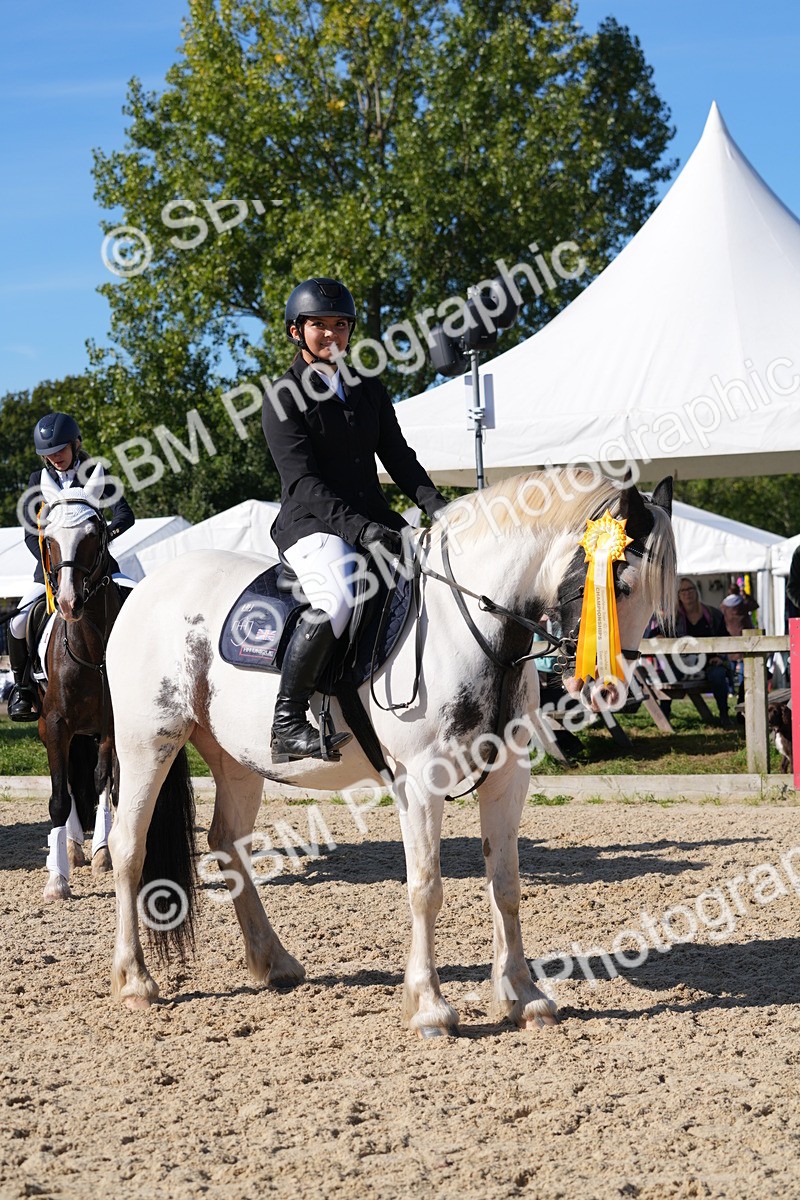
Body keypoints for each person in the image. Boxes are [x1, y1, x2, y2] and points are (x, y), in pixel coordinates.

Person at [262, 277, 447, 760]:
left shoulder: (367, 387)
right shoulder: (282, 397)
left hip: (372, 520)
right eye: (319, 326)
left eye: (340, 325)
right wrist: (359, 530)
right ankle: (287, 720)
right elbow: (303, 481)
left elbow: (399, 457)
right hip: (312, 525)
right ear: (295, 332)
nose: (331, 335)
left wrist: (437, 506)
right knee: (339, 594)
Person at [6, 412, 135, 721]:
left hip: (98, 566)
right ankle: (23, 687)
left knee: (138, 600)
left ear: (76, 444)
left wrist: (104, 535)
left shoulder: (95, 473)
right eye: (48, 454)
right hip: (52, 570)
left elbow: (124, 515)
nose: (55, 458)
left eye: (60, 450)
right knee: (18, 623)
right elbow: (29, 531)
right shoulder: (38, 481)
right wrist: (55, 567)